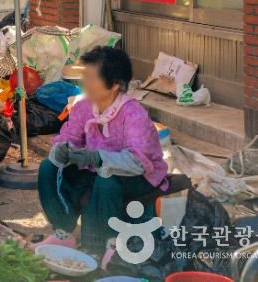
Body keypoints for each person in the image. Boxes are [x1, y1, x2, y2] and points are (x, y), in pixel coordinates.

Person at [37, 46, 167, 254]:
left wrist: (96, 157)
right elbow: (68, 137)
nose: (84, 83)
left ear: (115, 84)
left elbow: (137, 162)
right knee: (48, 168)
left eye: (91, 77)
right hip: (95, 170)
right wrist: (62, 150)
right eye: (84, 76)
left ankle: (110, 244)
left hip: (139, 176)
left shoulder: (134, 115)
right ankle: (64, 233)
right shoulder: (83, 107)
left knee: (106, 181)